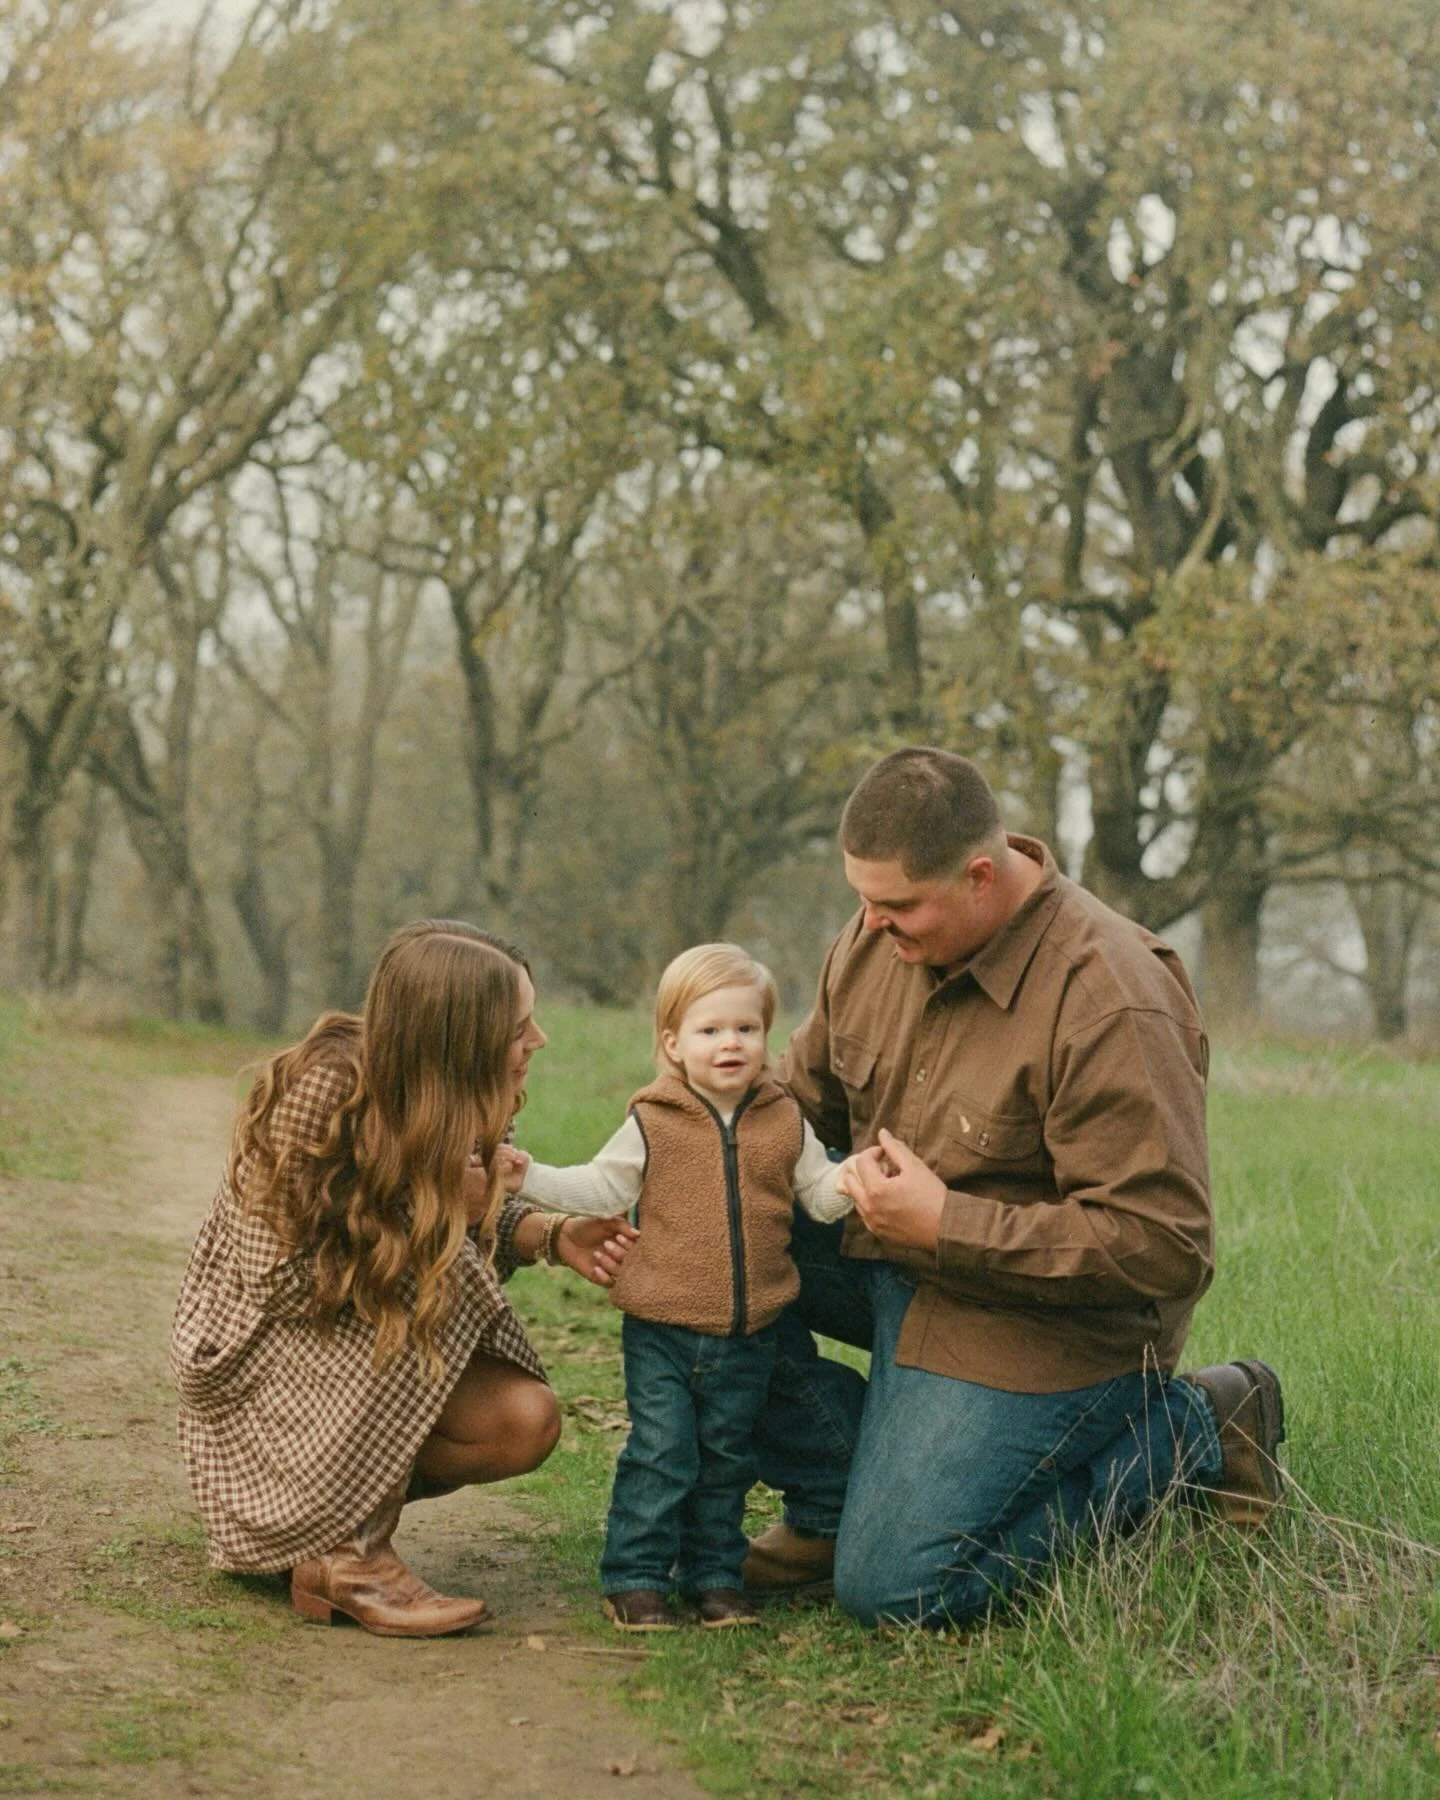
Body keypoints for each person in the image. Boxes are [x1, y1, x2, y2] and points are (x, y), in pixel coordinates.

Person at [743, 748, 1286, 1627]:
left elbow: (1164, 1247)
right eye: (864, 900)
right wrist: (689, 1133)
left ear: (983, 877)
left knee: (897, 1588)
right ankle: (833, 1489)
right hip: (890, 1255)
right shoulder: (876, 935)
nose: (872, 925)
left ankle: (1199, 1427)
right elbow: (802, 1105)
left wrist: (947, 1224)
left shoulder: (1111, 993)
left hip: (1044, 1323)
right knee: (691, 1236)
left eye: (899, 905)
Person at [170, 920, 636, 1638]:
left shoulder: (465, 1094)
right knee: (413, 1311)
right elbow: (283, 1282)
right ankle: (344, 1554)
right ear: (457, 1032)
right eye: (518, 1026)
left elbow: (467, 1217)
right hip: (260, 1358)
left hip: (349, 1357)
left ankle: (309, 1525)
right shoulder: (324, 1091)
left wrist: (550, 1234)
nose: (538, 1039)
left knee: (525, 1419)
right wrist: (443, 1208)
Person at [509, 944, 852, 1632]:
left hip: (749, 1331)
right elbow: (603, 1186)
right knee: (663, 1455)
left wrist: (860, 1180)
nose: (730, 1044)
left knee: (728, 1460)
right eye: (709, 1030)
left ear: (767, 1037)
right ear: (673, 1041)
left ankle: (716, 1580)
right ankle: (634, 1577)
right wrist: (529, 1177)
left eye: (745, 1029)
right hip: (664, 1329)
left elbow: (819, 1194)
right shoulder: (654, 1121)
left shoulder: (784, 1120)